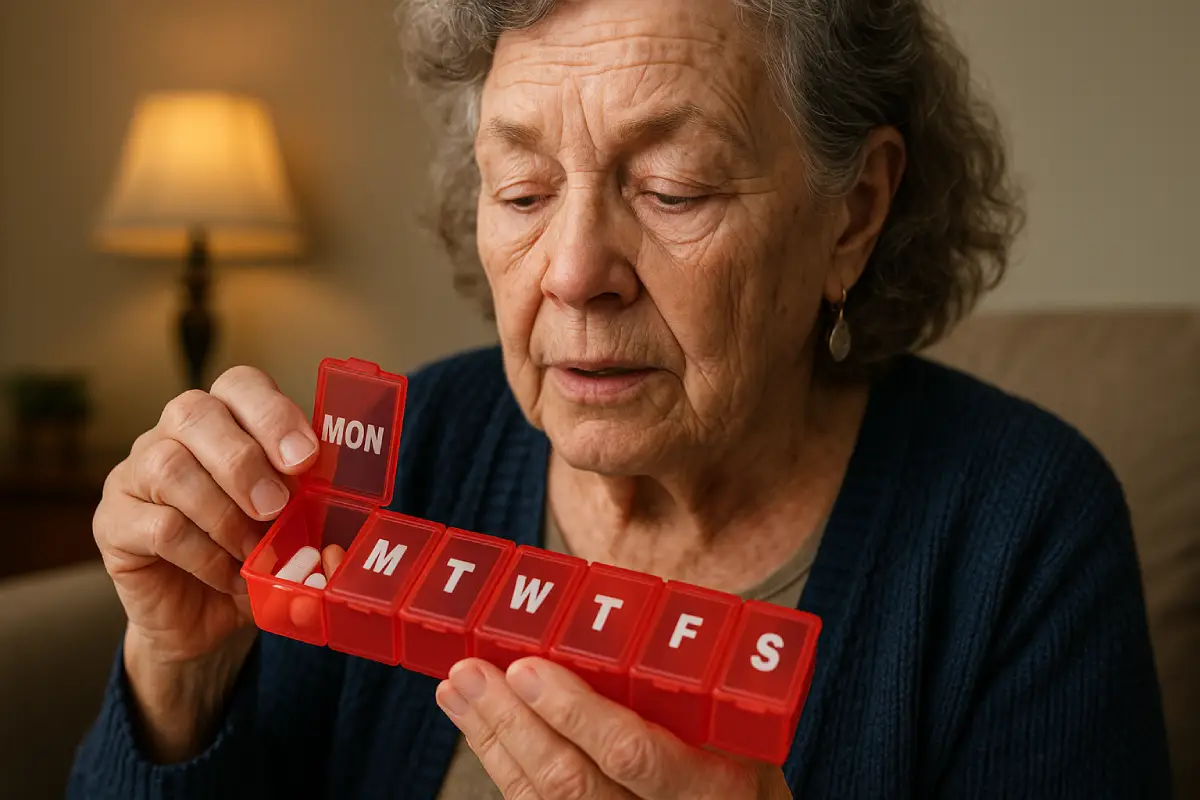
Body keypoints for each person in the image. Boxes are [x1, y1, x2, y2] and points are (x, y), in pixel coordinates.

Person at [68, 0, 1173, 796]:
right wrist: (183, 674)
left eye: (672, 187)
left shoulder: (1023, 523)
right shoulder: (402, 463)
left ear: (854, 212)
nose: (573, 268)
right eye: (524, 189)